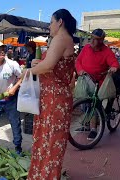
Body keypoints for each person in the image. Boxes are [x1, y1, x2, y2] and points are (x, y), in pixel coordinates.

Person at [16, 9, 77, 179]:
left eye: (51, 22)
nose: (49, 26)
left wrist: (28, 71)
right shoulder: (62, 39)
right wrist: (38, 63)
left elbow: (48, 66)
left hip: (54, 99)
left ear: (60, 22)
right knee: (47, 142)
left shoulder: (61, 38)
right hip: (53, 98)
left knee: (50, 144)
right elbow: (52, 64)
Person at [75, 28, 119, 140]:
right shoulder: (86, 48)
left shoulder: (106, 51)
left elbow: (114, 62)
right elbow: (78, 61)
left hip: (98, 82)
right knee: (83, 102)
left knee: (94, 105)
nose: (93, 41)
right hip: (85, 79)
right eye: (92, 38)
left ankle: (93, 129)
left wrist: (114, 67)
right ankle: (88, 123)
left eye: (97, 39)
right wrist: (80, 70)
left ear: (102, 40)